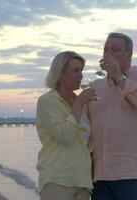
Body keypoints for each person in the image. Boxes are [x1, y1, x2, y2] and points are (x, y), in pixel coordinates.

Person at [88, 32, 137, 200]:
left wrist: (119, 78)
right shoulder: (95, 87)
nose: (107, 53)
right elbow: (86, 129)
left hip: (131, 173)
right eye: (105, 49)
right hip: (99, 176)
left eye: (114, 49)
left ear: (129, 55)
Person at [36, 51, 97, 200]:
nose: (80, 75)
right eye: (75, 70)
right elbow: (65, 135)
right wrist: (80, 103)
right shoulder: (47, 101)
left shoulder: (80, 102)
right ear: (60, 73)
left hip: (82, 182)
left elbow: (86, 144)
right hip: (57, 180)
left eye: (81, 70)